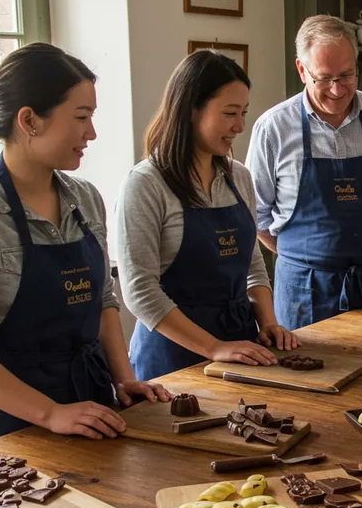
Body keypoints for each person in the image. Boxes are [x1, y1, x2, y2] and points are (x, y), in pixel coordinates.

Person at [0, 43, 170, 451]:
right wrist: (50, 413)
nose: (91, 133)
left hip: (91, 408)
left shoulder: (85, 199)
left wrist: (124, 378)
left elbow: (103, 301)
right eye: (81, 117)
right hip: (5, 427)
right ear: (29, 121)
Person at [116, 51, 297, 381]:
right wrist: (213, 347)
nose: (240, 126)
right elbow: (140, 292)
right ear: (190, 110)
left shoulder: (238, 177)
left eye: (243, 113)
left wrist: (268, 322)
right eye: (230, 113)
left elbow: (252, 265)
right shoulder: (145, 184)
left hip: (240, 345)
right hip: (171, 357)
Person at [247, 15, 362, 330]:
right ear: (302, 70)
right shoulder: (274, 127)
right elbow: (255, 217)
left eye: (347, 75)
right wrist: (309, 257)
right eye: (324, 78)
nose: (337, 89)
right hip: (303, 292)